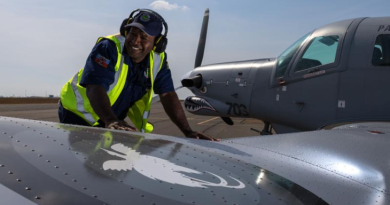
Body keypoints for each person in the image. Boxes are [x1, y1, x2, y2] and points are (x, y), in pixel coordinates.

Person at [59, 9, 219, 141]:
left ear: (157, 43)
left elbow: (168, 94)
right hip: (77, 113)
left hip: (108, 118)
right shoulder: (109, 47)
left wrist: (188, 131)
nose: (135, 41)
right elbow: (95, 87)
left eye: (144, 38)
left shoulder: (158, 59)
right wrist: (111, 120)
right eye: (132, 33)